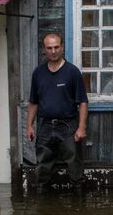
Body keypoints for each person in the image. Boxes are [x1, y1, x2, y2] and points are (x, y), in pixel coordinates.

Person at [26, 33, 88, 190]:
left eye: (56, 47)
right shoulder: (38, 73)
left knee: (75, 168)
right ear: (44, 50)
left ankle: (78, 207)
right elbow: (33, 101)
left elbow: (82, 102)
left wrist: (81, 127)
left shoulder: (72, 72)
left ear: (62, 47)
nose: (53, 51)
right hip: (45, 127)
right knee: (43, 170)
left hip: (68, 127)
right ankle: (44, 210)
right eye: (49, 48)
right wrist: (29, 125)